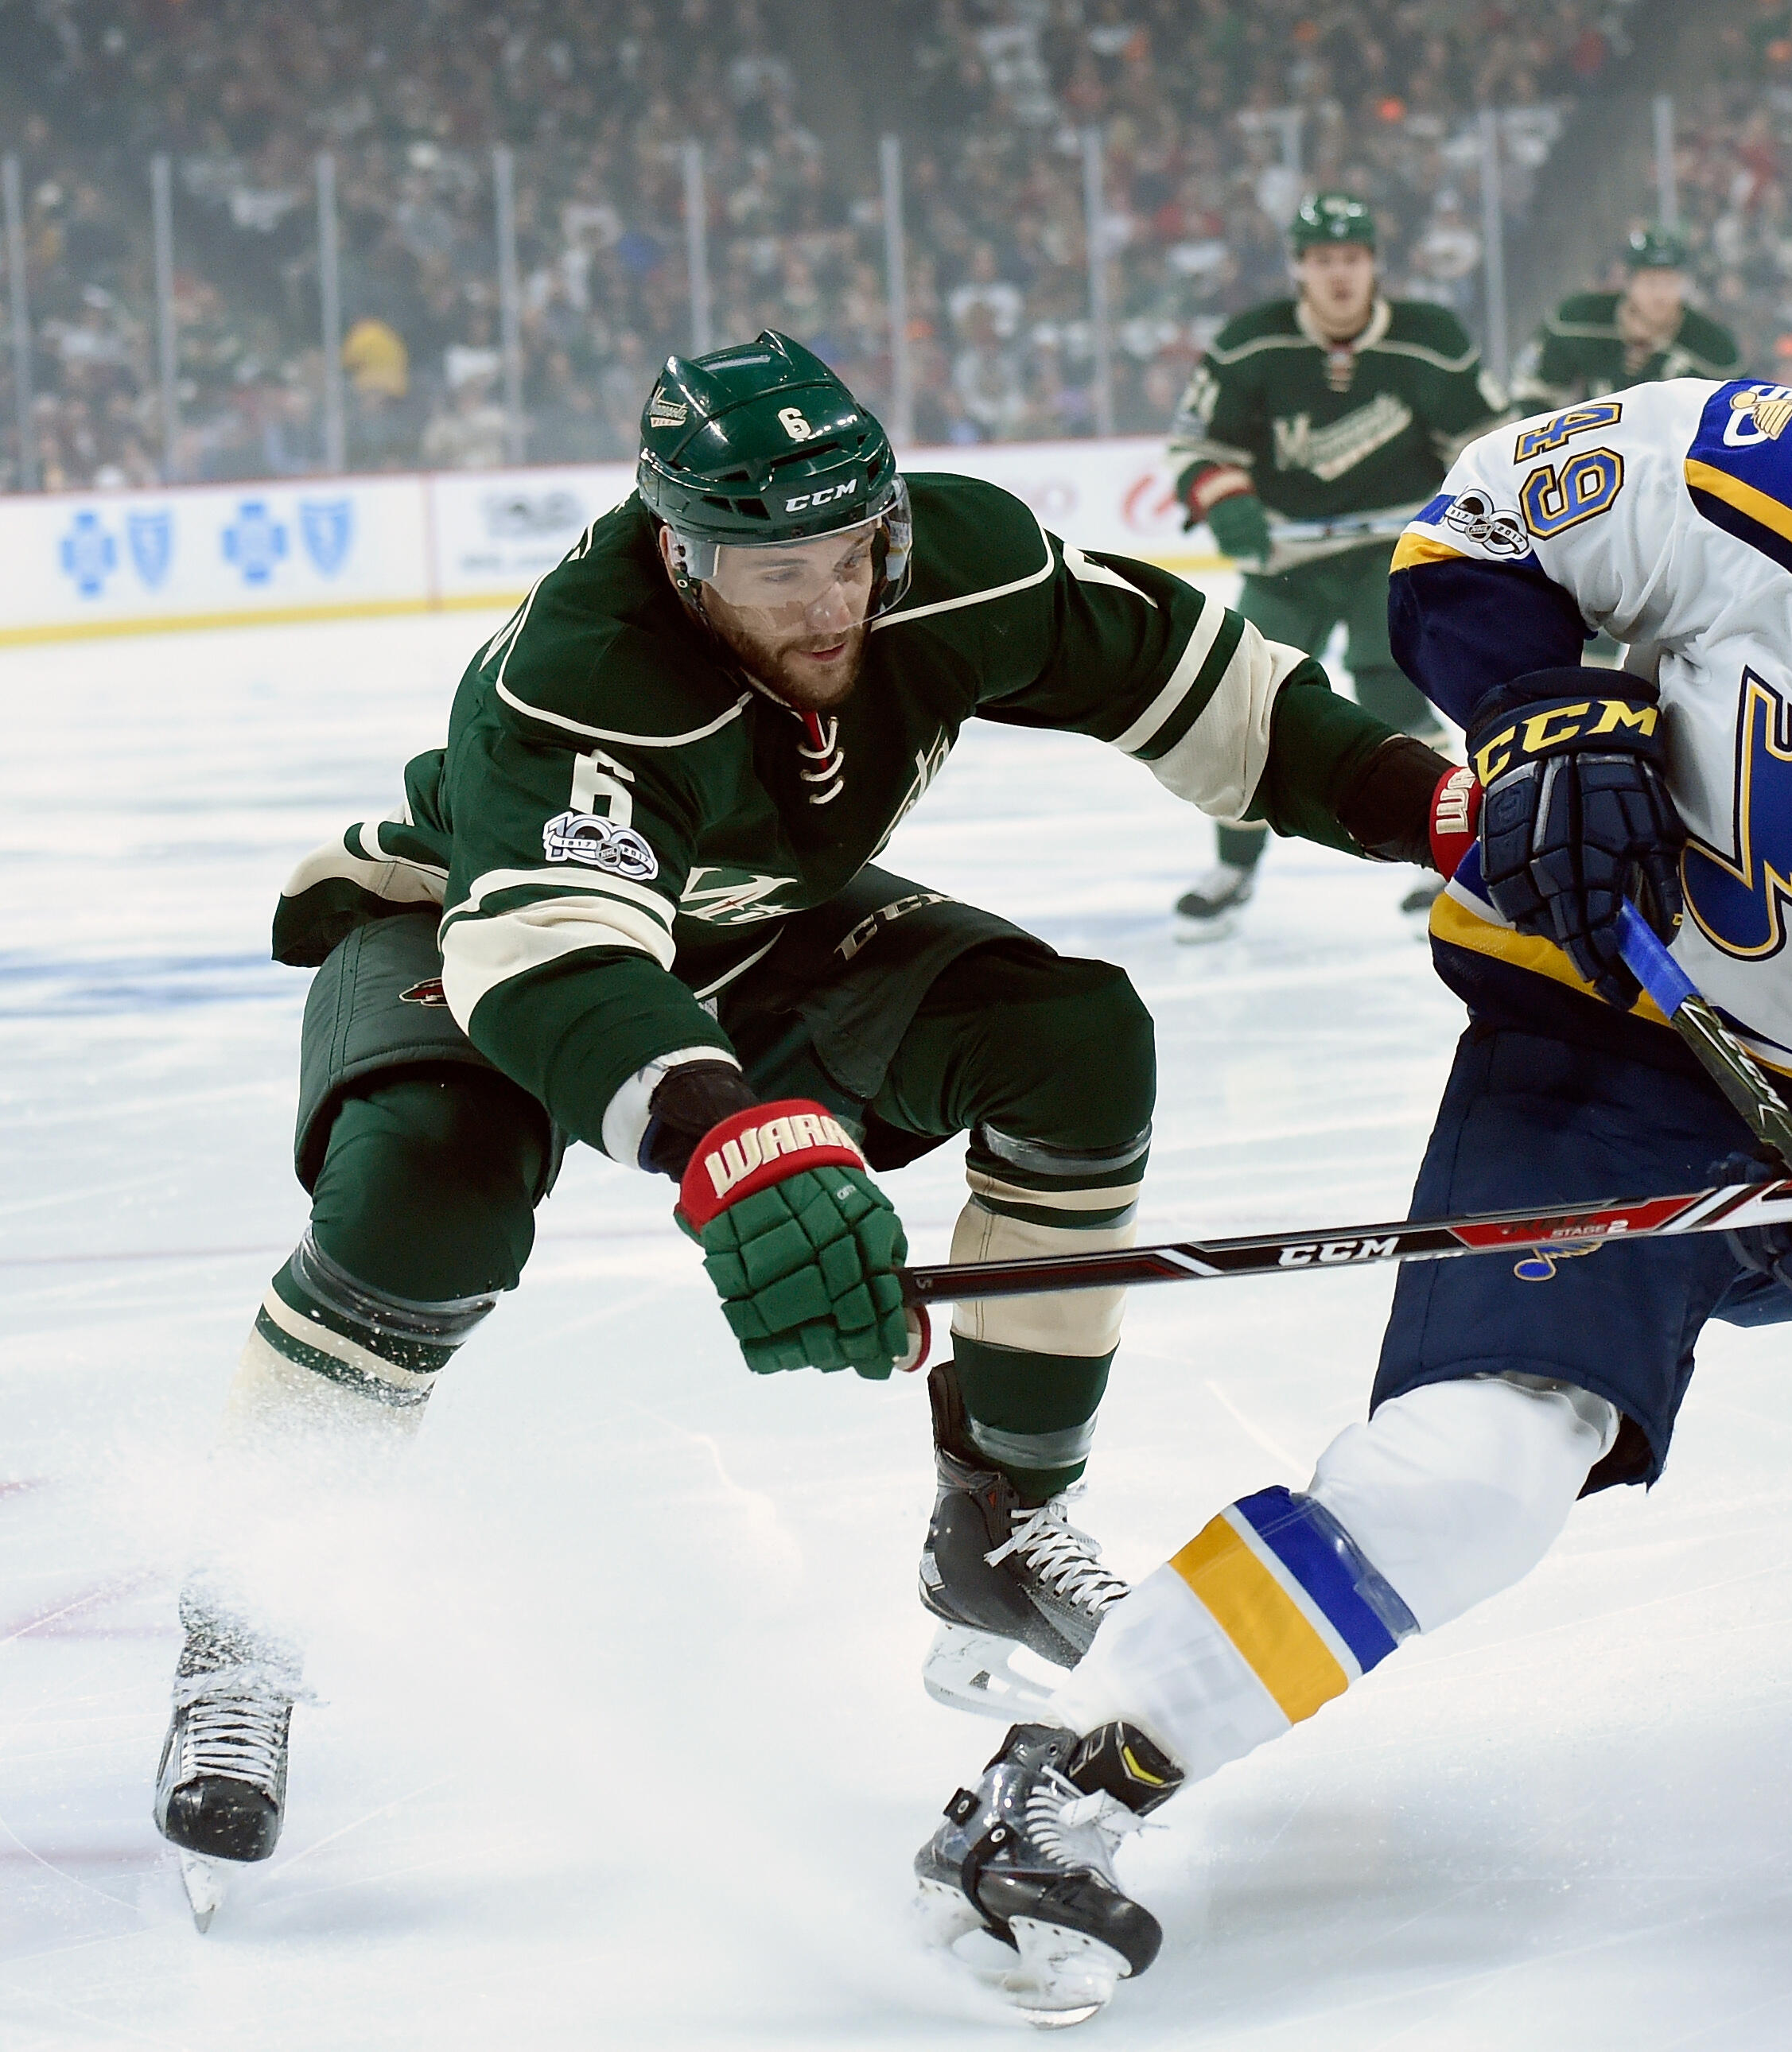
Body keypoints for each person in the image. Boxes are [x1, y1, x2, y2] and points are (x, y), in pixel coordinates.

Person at [907, 299, 1792, 2021]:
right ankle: (1060, 1784)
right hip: (1593, 1071)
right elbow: (1473, 525)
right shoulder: (1755, 474)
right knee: (1473, 1477)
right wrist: (1538, 707)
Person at [151, 332, 1469, 1926]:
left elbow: (1192, 682)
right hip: (474, 927)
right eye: (777, 572)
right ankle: (245, 1629)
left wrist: (1431, 802)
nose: (834, 599)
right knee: (422, 1203)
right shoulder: (586, 669)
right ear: (679, 550)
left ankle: (1002, 1518)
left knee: (1070, 1044)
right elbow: (554, 953)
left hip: (753, 922)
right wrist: (734, 1134)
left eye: (854, 549)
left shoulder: (940, 559)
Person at [1164, 191, 1504, 940]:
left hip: (1398, 553)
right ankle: (1234, 866)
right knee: (1244, 704)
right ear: (1299, 269)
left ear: (1374, 265)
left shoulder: (1431, 340)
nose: (1339, 275)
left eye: (1351, 259)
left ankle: (1447, 857)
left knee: (1401, 698)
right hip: (1292, 560)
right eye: (1323, 261)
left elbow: (1488, 445)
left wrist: (1465, 523)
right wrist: (1225, 498)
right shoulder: (1251, 345)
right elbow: (1195, 445)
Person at [1509, 223, 1744, 411]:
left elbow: (1740, 412)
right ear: (1629, 283)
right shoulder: (1580, 319)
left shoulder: (1714, 348)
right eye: (1651, 282)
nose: (1661, 295)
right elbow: (1534, 394)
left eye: (1670, 283)